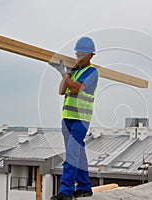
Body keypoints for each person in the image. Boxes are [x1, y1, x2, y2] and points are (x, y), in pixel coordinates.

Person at [49, 37, 99, 200]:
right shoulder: (75, 71)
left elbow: (75, 89)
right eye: (77, 54)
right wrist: (66, 73)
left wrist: (64, 73)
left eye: (82, 55)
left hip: (80, 120)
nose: (79, 58)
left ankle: (66, 191)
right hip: (67, 119)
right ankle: (85, 187)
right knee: (79, 154)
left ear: (91, 55)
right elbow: (62, 90)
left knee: (71, 154)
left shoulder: (92, 72)